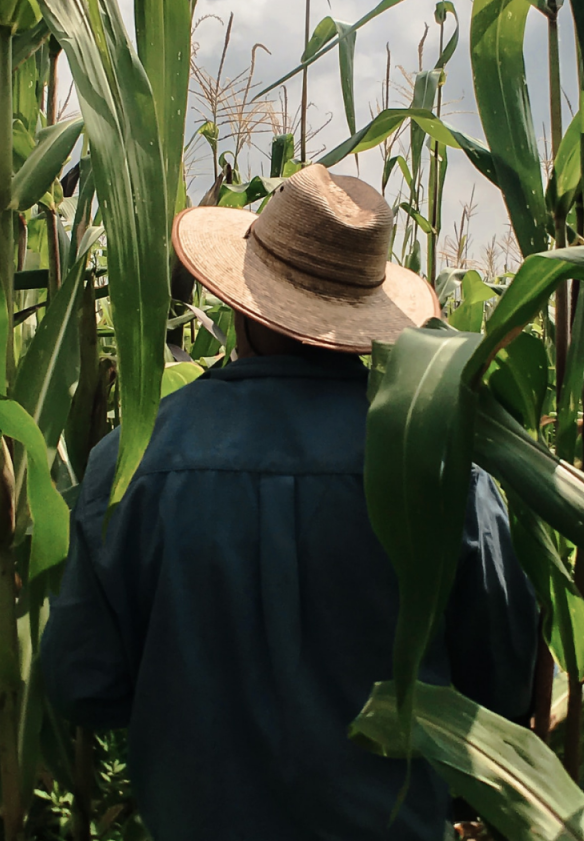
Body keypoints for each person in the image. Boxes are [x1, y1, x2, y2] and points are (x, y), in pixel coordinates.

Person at [39, 165, 538, 840]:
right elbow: (499, 689)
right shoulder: (442, 468)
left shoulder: (131, 462)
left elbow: (82, 685)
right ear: (368, 313)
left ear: (241, 299)